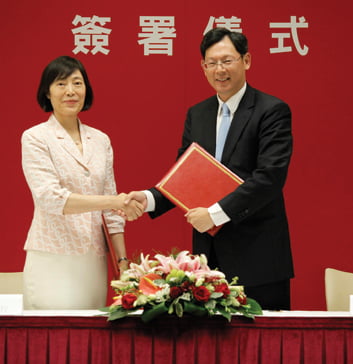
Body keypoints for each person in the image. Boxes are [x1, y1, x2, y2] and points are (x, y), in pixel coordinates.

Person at [126, 28, 294, 310]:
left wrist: (215, 215)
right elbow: (183, 176)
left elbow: (270, 177)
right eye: (212, 63)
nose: (220, 70)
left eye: (227, 61)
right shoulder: (198, 113)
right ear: (203, 67)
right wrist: (148, 199)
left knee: (262, 349)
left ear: (247, 60)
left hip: (259, 256)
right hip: (207, 260)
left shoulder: (271, 110)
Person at [21, 56, 143, 310]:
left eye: (77, 83)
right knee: (53, 339)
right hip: (52, 257)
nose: (70, 91)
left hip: (93, 259)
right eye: (61, 84)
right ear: (47, 92)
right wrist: (114, 200)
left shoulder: (100, 140)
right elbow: (51, 198)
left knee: (90, 338)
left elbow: (113, 214)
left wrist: (122, 262)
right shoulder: (35, 138)